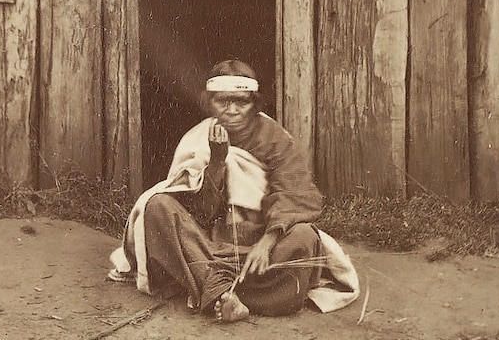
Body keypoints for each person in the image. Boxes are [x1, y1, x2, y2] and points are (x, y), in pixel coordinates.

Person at [108, 60, 359, 322]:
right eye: (222, 102)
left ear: (255, 103)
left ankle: (212, 290)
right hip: (208, 246)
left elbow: (296, 194)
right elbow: (197, 213)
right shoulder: (197, 139)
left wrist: (267, 241)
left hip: (260, 248)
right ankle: (226, 294)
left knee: (305, 237)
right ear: (209, 103)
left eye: (242, 102)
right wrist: (217, 161)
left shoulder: (276, 138)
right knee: (157, 207)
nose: (232, 110)